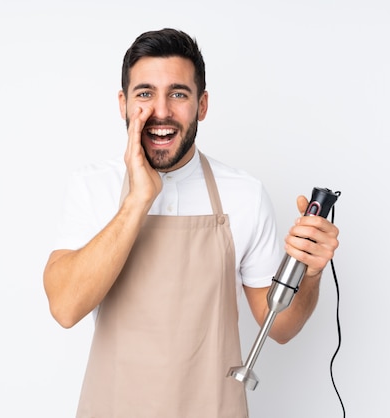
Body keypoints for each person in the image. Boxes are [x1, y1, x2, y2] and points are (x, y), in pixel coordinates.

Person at [43, 28, 340, 418]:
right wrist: (137, 201)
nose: (161, 111)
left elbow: (280, 327)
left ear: (202, 105)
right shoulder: (93, 186)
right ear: (123, 104)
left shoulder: (244, 194)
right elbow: (65, 307)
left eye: (178, 94)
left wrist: (312, 273)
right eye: (145, 94)